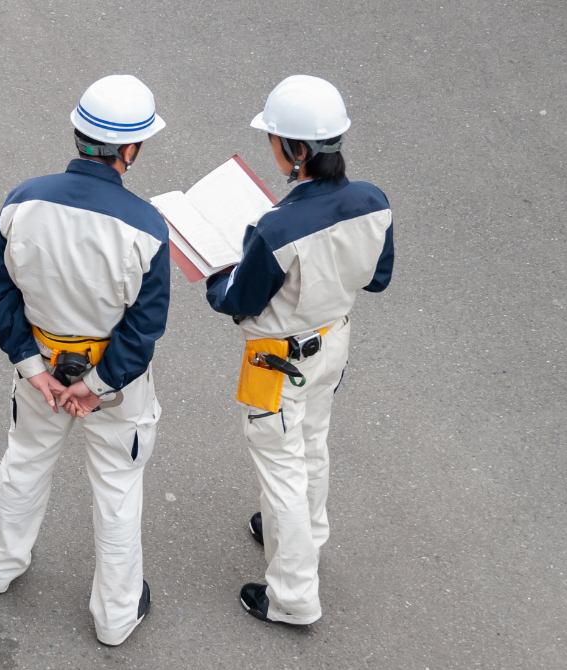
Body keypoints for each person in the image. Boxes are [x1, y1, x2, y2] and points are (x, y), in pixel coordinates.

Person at [0, 74, 170, 646]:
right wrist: (99, 385)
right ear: (130, 150)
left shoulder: (22, 200)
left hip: (40, 361)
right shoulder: (147, 227)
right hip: (114, 378)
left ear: (79, 132)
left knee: (26, 459)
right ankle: (114, 618)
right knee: (116, 484)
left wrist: (32, 368)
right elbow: (145, 326)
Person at [206, 75, 394, 626]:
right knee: (312, 442)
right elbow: (377, 279)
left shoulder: (277, 226)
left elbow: (236, 299)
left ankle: (292, 597)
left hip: (276, 359)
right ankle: (305, 534)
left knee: (280, 465)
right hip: (333, 341)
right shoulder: (373, 201)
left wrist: (220, 274)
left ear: (297, 150)